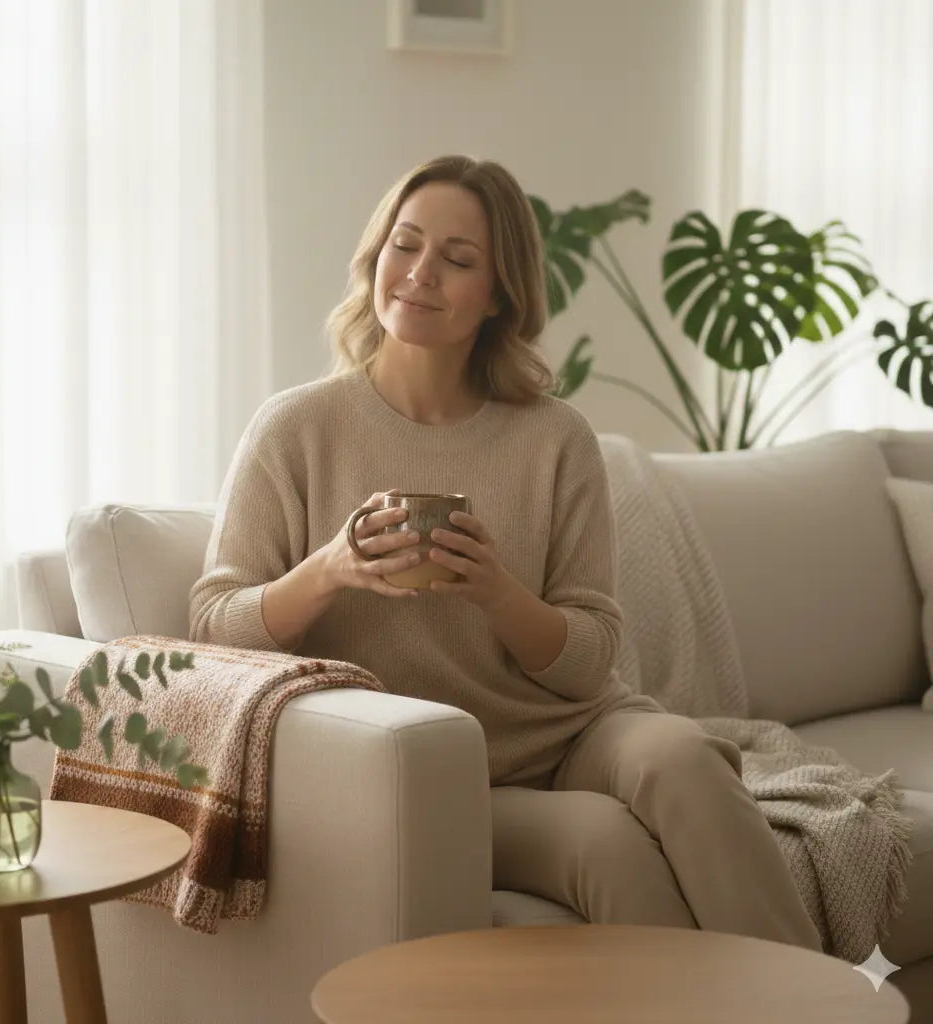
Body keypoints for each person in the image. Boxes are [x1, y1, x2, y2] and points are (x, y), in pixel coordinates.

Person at [189, 154, 822, 951]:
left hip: (576, 730)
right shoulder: (295, 430)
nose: (420, 275)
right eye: (405, 245)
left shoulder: (555, 438)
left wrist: (496, 590)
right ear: (375, 256)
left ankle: (815, 1002)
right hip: (437, 772)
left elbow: (591, 657)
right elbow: (213, 629)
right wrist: (332, 569)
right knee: (606, 844)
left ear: (498, 296)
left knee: (689, 756)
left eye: (457, 261)